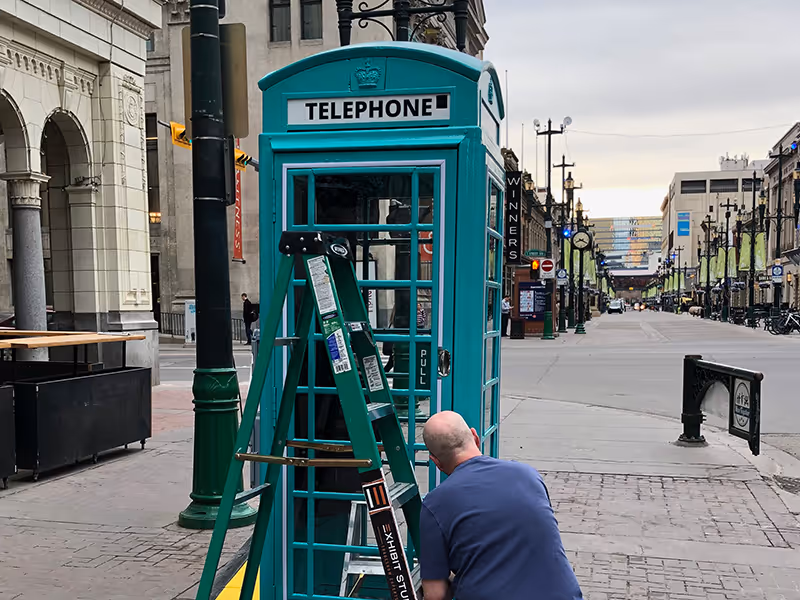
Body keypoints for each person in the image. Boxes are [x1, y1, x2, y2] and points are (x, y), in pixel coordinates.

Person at [420, 411, 583, 600]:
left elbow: (435, 594)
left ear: (436, 462)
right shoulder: (528, 475)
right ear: (474, 436)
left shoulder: (435, 504)